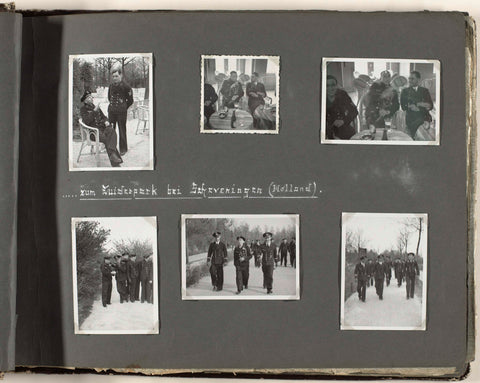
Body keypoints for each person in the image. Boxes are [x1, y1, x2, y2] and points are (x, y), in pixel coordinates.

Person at [79, 91, 122, 167]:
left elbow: (104, 117)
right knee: (107, 138)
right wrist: (94, 111)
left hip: (102, 129)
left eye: (91, 97)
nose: (92, 98)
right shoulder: (83, 109)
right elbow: (87, 121)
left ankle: (112, 154)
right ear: (85, 100)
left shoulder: (94, 106)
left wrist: (106, 121)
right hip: (93, 132)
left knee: (111, 130)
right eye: (89, 97)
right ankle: (115, 163)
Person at [400, 71, 433, 139]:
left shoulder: (425, 91)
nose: (410, 80)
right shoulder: (405, 91)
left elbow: (431, 106)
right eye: (409, 78)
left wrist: (418, 105)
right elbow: (403, 107)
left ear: (418, 79)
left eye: (412, 79)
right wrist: (423, 105)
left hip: (425, 117)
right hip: (412, 119)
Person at [108, 68, 134, 155]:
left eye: (116, 76)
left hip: (121, 113)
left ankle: (123, 149)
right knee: (111, 130)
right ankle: (111, 147)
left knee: (122, 130)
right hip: (111, 111)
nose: (114, 78)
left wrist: (123, 107)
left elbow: (130, 100)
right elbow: (109, 98)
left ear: (121, 75)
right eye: (113, 76)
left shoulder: (126, 86)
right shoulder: (111, 86)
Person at [325, 75, 358, 140]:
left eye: (333, 85)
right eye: (327, 86)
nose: (331, 88)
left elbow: (354, 111)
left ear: (336, 85)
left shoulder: (342, 94)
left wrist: (344, 121)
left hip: (343, 127)